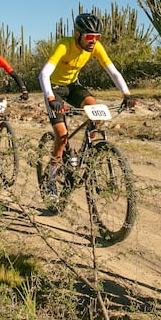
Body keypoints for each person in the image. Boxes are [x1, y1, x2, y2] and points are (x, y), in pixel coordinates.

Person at [38, 12, 135, 188]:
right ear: (77, 34)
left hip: (73, 85)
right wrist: (51, 98)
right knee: (61, 136)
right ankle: (50, 180)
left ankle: (88, 153)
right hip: (54, 88)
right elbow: (43, 74)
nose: (94, 41)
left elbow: (113, 71)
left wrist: (126, 94)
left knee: (96, 112)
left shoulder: (95, 47)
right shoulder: (64, 45)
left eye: (97, 37)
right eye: (90, 36)